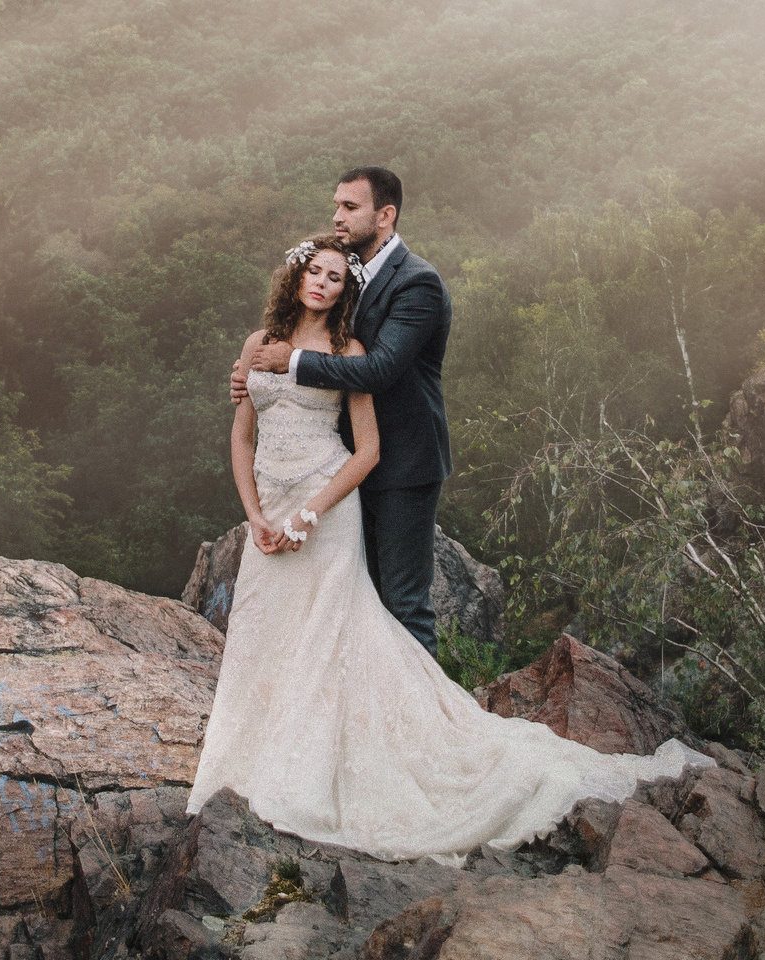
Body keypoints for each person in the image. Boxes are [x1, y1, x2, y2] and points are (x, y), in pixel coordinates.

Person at [190, 232, 704, 863]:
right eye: (312, 271)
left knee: (329, 634)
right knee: (266, 635)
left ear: (344, 289)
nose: (321, 282)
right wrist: (255, 515)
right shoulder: (257, 345)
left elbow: (368, 450)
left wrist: (310, 513)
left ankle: (321, 774)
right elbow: (242, 439)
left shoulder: (349, 348)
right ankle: (252, 761)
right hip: (267, 503)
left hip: (323, 506)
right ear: (293, 276)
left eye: (334, 276)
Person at [234, 166, 450, 655]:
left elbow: (379, 370)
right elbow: (314, 336)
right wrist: (254, 375)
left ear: (385, 216)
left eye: (350, 208)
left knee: (402, 603)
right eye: (336, 205)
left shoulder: (418, 283)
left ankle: (416, 724)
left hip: (401, 465)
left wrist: (289, 364)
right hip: (336, 466)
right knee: (358, 602)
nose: (337, 217)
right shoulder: (348, 276)